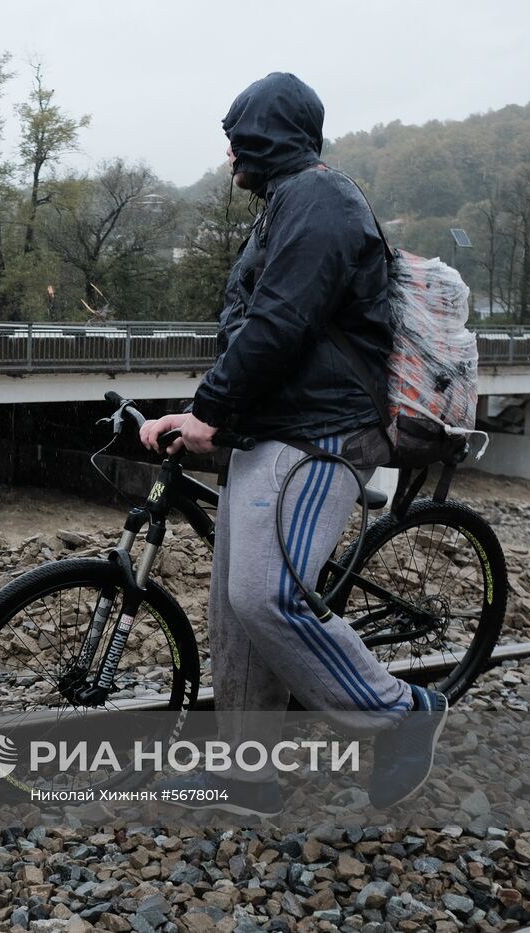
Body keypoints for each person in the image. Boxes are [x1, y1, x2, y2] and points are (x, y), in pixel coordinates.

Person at [140, 72, 447, 816]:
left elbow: (281, 323)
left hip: (323, 433)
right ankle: (247, 775)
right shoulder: (287, 204)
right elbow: (259, 330)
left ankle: (402, 712)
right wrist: (204, 411)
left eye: (236, 136)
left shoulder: (320, 199)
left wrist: (209, 410)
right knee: (233, 609)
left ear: (267, 133)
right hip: (272, 429)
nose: (228, 155)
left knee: (266, 592)